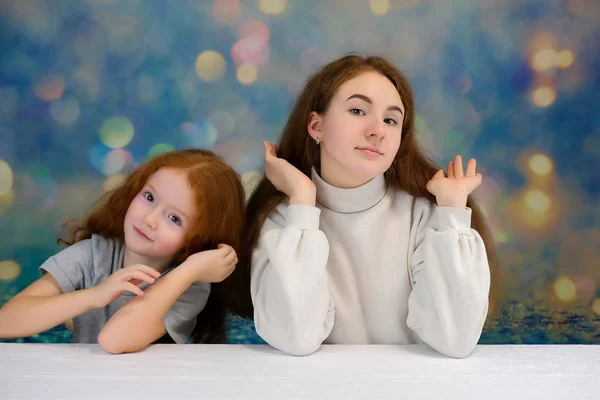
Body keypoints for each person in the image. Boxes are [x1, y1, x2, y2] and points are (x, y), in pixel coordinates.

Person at [237, 54, 500, 358]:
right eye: (358, 110)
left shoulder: (425, 215)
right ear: (315, 125)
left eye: (391, 120)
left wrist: (453, 214)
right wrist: (302, 202)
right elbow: (295, 337)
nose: (378, 130)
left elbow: (456, 340)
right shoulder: (284, 220)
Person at [0, 149, 245, 353]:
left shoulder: (190, 283)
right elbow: (6, 322)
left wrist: (190, 270)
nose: (150, 219)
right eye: (149, 197)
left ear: (199, 241)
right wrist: (93, 296)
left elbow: (113, 340)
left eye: (174, 218)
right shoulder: (94, 254)